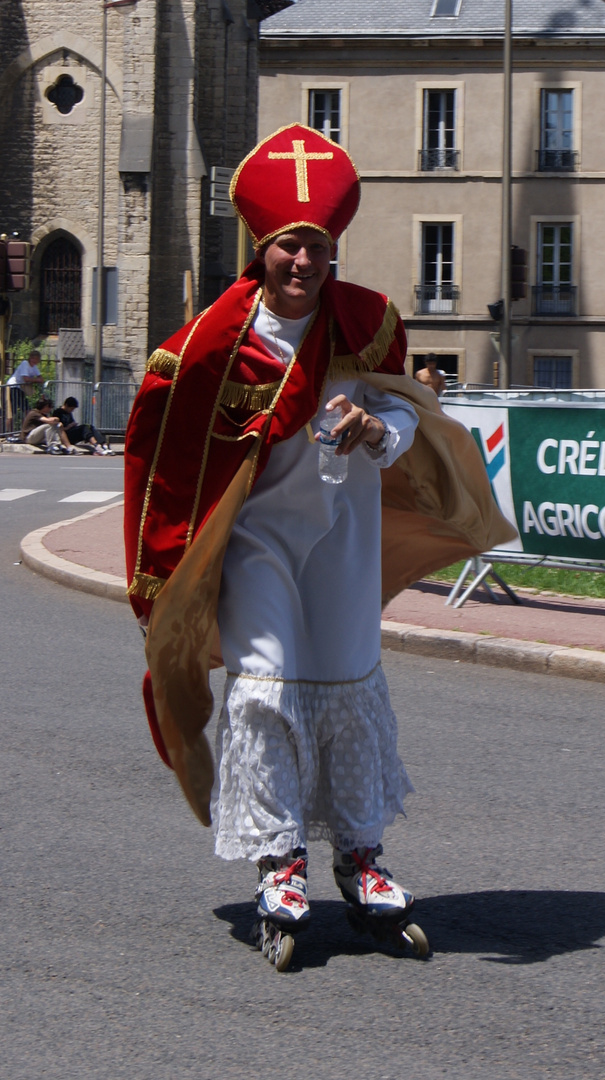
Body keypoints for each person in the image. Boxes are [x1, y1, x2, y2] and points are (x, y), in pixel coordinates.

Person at [124, 125, 514, 964]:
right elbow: (165, 456)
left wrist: (382, 427)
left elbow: (408, 407)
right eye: (289, 247)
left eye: (319, 247)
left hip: (342, 537)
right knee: (264, 691)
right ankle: (280, 858)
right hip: (258, 541)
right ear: (262, 250)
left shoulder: (367, 321)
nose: (304, 262)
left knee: (348, 691)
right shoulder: (208, 348)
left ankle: (362, 857)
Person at [5, 349, 44, 418]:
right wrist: (36, 380)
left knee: (26, 408)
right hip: (13, 386)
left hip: (20, 388)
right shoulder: (25, 363)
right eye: (36, 359)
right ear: (32, 358)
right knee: (12, 411)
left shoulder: (34, 367)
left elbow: (41, 378)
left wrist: (37, 379)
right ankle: (8, 427)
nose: (37, 362)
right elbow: (26, 379)